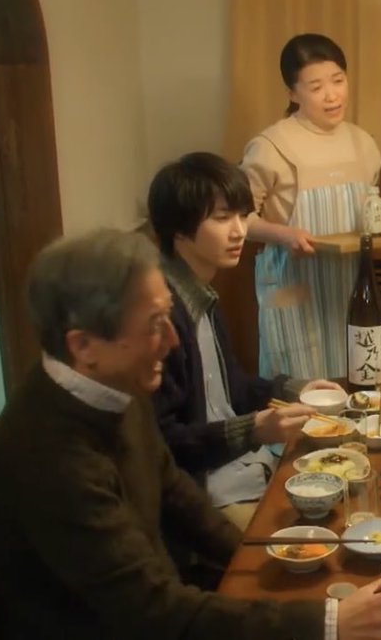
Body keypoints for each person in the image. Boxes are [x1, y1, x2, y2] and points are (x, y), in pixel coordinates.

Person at [0, 229, 381, 639]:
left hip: (162, 605)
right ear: (84, 346)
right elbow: (155, 613)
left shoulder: (111, 386)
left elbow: (177, 494)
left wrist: (269, 557)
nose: (172, 341)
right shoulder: (50, 460)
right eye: (155, 324)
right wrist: (329, 624)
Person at [147, 151, 346, 530]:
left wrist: (296, 389)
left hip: (246, 471)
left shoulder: (201, 295)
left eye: (242, 216)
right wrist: (254, 429)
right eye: (223, 218)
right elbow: (165, 442)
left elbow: (233, 389)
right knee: (328, 531)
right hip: (210, 497)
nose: (239, 231)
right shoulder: (163, 314)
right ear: (179, 228)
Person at [241, 33, 381, 380]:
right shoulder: (270, 146)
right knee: (302, 395)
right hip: (295, 289)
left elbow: (359, 213)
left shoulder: (362, 143)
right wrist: (283, 234)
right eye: (316, 86)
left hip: (349, 289)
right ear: (293, 94)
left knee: (358, 386)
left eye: (338, 81)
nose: (332, 95)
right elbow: (239, 220)